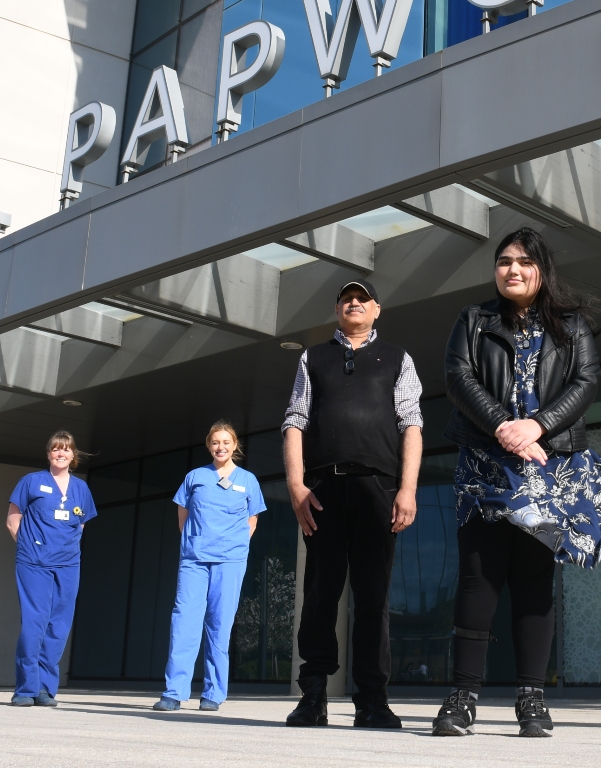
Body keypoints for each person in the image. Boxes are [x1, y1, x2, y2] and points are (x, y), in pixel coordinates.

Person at [432, 227, 601, 739]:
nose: (512, 269)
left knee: (534, 581)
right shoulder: (474, 319)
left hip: (549, 467)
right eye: (504, 261)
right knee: (478, 578)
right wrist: (504, 428)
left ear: (541, 270)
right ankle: (463, 696)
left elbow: (586, 383)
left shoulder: (572, 326)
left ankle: (531, 698)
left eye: (523, 262)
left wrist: (536, 426)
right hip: (484, 467)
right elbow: (458, 377)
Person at [282, 279, 423, 729]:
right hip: (322, 491)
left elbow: (412, 424)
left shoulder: (399, 359)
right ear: (337, 309)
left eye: (362, 299)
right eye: (346, 299)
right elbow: (295, 421)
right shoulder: (313, 357)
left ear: (377, 309)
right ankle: (314, 695)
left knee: (373, 597)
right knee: (321, 592)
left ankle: (371, 700)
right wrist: (296, 486)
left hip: (378, 490)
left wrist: (407, 489)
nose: (354, 303)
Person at [153, 421, 266, 712]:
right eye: (215, 442)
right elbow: (183, 518)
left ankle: (213, 693)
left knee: (219, 625)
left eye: (226, 442)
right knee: (184, 622)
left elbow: (252, 520)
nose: (221, 447)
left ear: (235, 445)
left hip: (230, 562)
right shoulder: (195, 477)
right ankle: (174, 692)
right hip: (195, 560)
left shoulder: (248, 480)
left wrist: (234, 545)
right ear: (209, 445)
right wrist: (197, 543)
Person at [6, 430, 97, 707]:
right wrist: (30, 548)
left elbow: (81, 524)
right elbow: (13, 520)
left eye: (66, 449)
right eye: (56, 449)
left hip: (68, 564)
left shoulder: (81, 488)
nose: (61, 453)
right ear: (48, 454)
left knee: (59, 625)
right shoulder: (31, 482)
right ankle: (25, 688)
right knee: (35, 622)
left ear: (73, 455)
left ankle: (45, 689)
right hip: (34, 562)